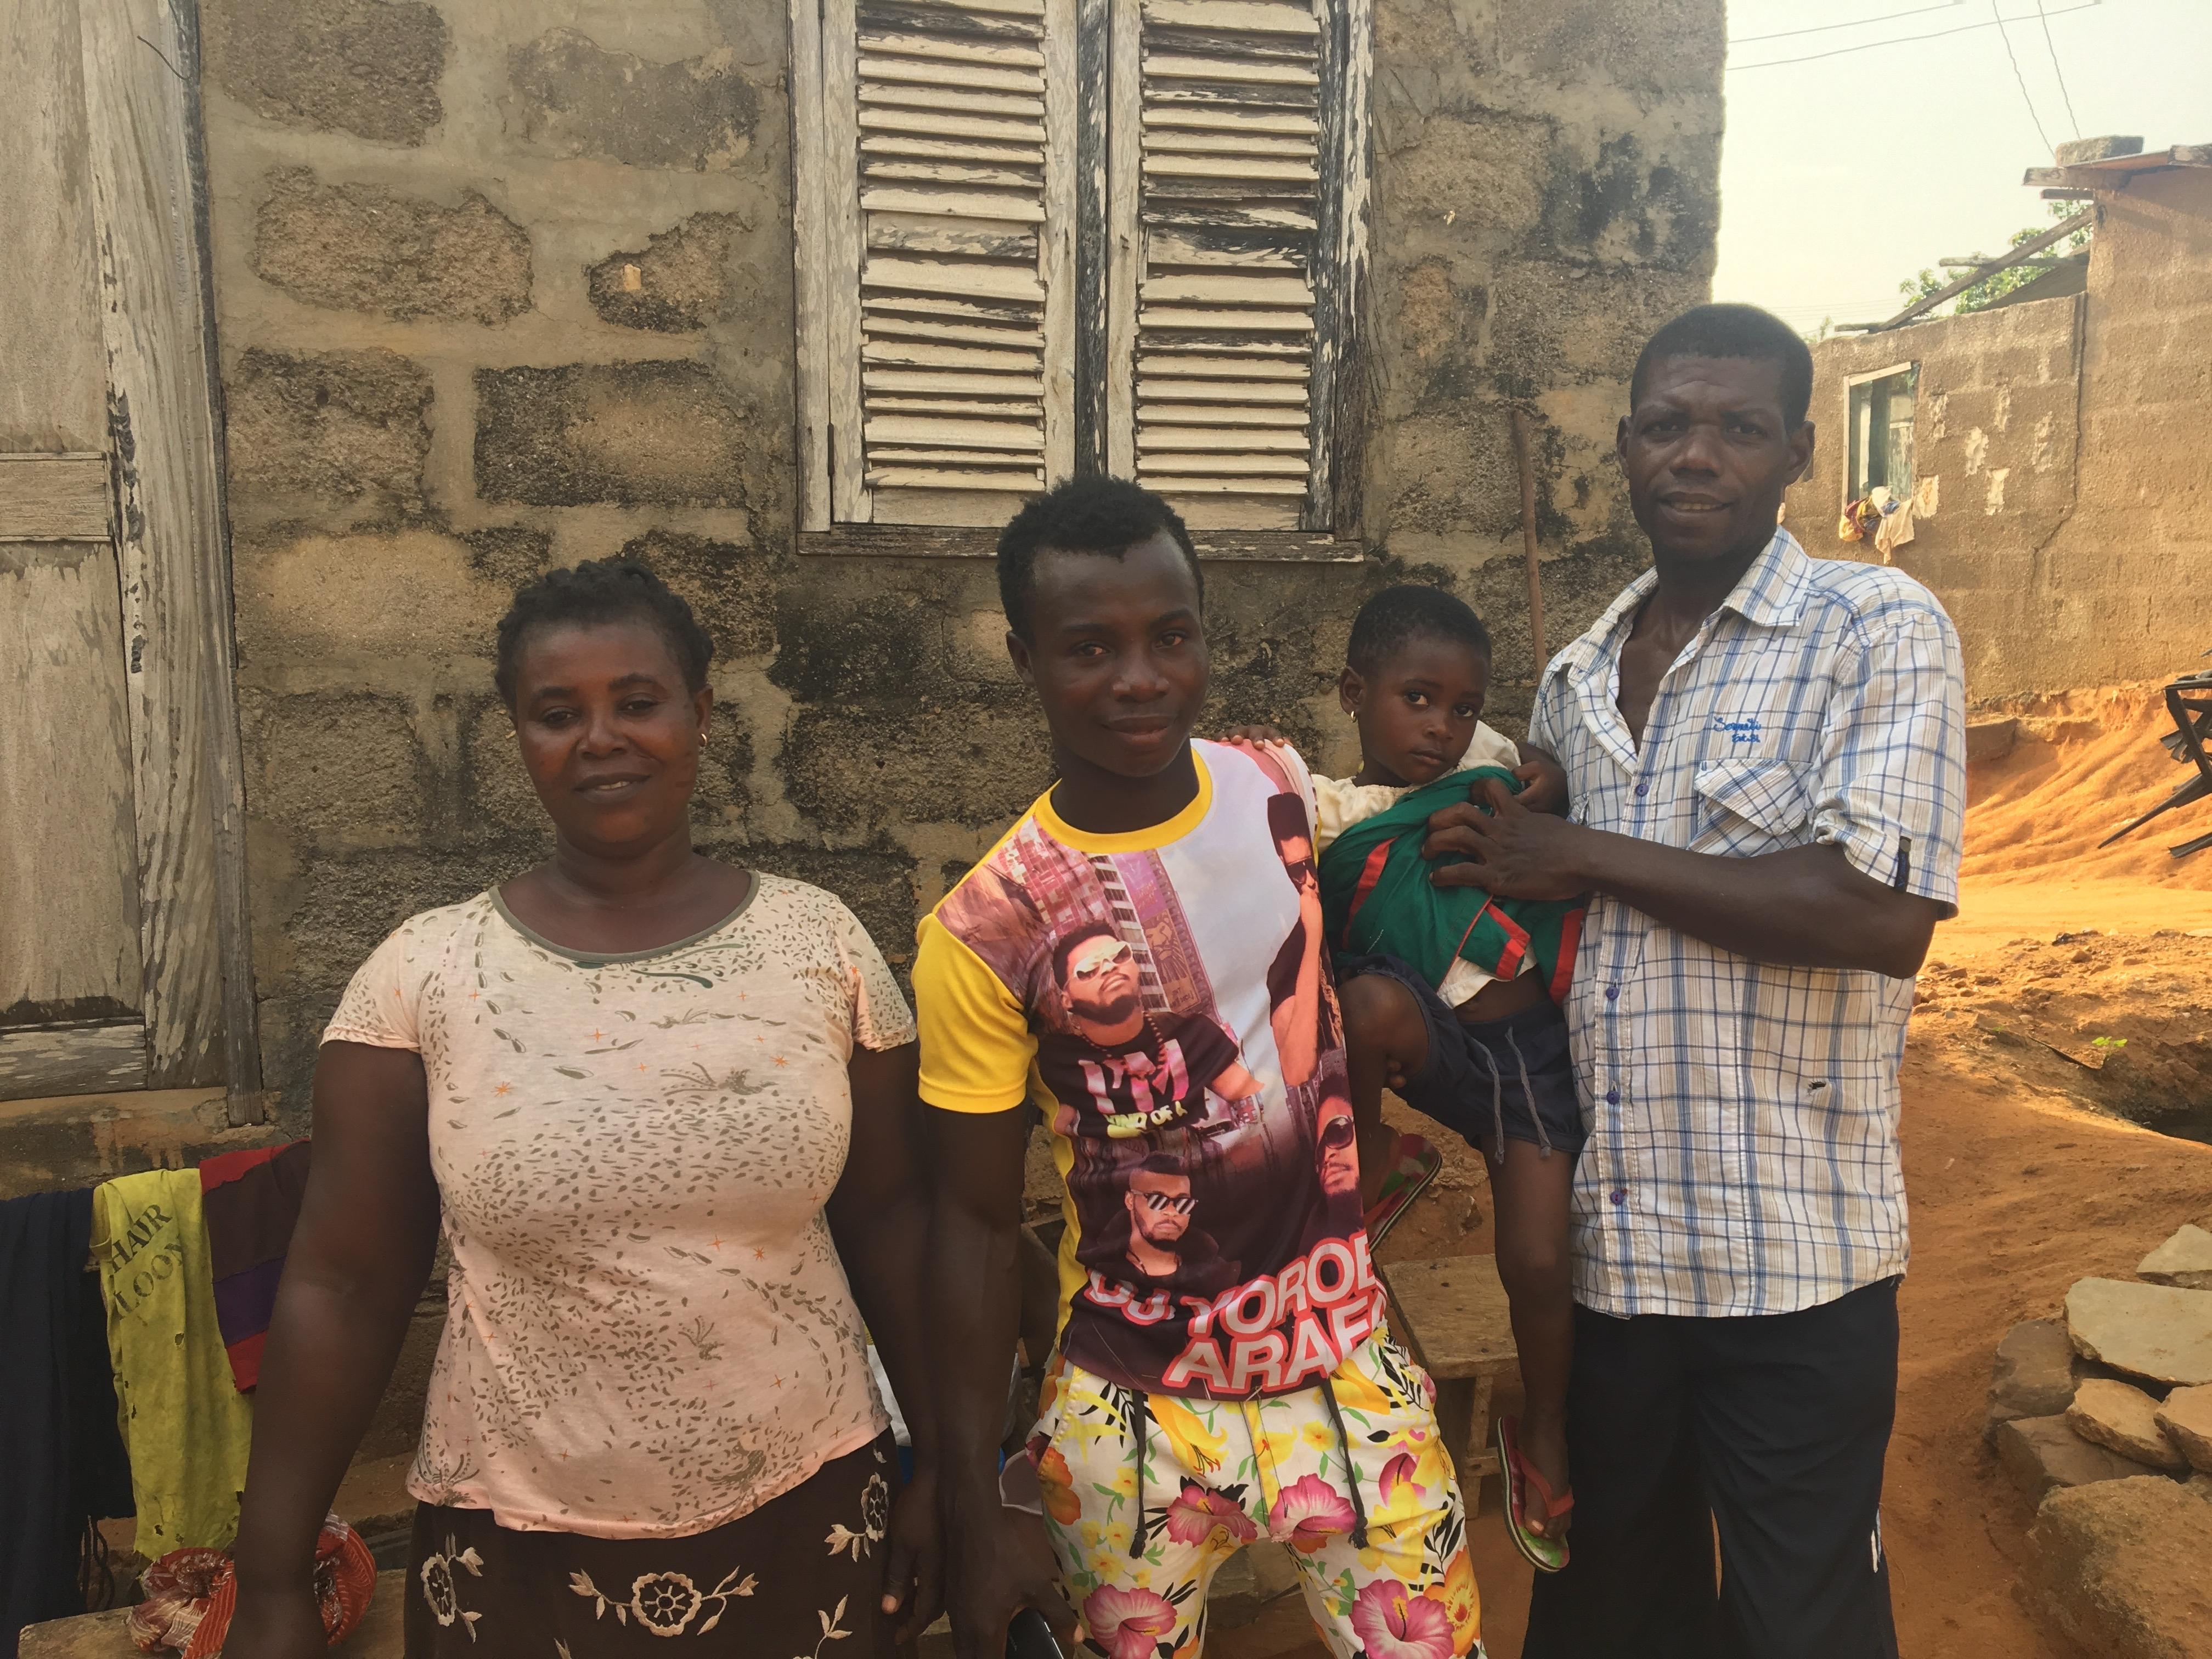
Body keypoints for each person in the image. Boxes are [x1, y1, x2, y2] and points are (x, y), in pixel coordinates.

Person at [223, 560, 940, 1658]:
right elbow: (345, 1282)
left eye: (637, 702)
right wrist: (271, 1584)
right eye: (559, 713)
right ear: (519, 736)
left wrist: (951, 1469)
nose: (601, 738)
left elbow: (895, 1222)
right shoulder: (424, 977)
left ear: (699, 715)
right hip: (517, 1551)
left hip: (813, 1519)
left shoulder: (821, 947)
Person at [1421, 303, 1965, 1659]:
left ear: (1797, 449)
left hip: (1799, 1269)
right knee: (1614, 1621)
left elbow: (1882, 913)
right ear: (1626, 448)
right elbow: (1539, 926)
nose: (1697, 454)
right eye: (1668, 425)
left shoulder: (1875, 628)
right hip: (1615, 1268)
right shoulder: (1575, 677)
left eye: (1736, 428)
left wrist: (1582, 852)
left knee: (1807, 1625)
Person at [919, 477, 1486, 1658]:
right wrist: (974, 1512)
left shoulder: (1272, 784)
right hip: (1135, 1412)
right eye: (1091, 647)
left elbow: (1400, 816)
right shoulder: (988, 927)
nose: (1140, 677)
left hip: (1348, 1364)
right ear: (1026, 659)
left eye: (1170, 636)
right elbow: (971, 1229)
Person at [1227, 583, 1587, 1570]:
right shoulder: (1324, 804)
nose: (1441, 727)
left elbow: (1544, 766)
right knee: (1368, 1002)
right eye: (1416, 699)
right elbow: (1237, 788)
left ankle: (1542, 1431)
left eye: (1461, 705)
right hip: (1420, 1037)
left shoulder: (1482, 766)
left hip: (1526, 1053)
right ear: (1353, 691)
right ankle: (1374, 1156)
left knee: (1541, 1261)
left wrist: (1533, 797)